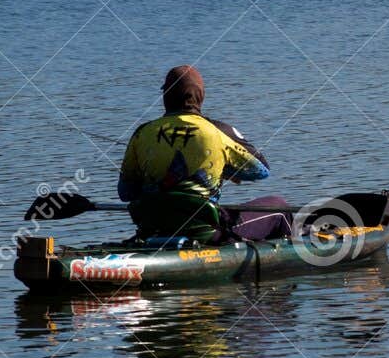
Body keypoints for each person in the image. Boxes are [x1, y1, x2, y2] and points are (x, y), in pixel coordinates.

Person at [117, 65, 281, 243]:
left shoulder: (142, 132)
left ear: (166, 96)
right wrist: (225, 169)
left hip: (153, 228)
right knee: (278, 205)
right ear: (200, 96)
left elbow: (126, 192)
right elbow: (261, 171)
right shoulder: (219, 131)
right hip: (206, 231)